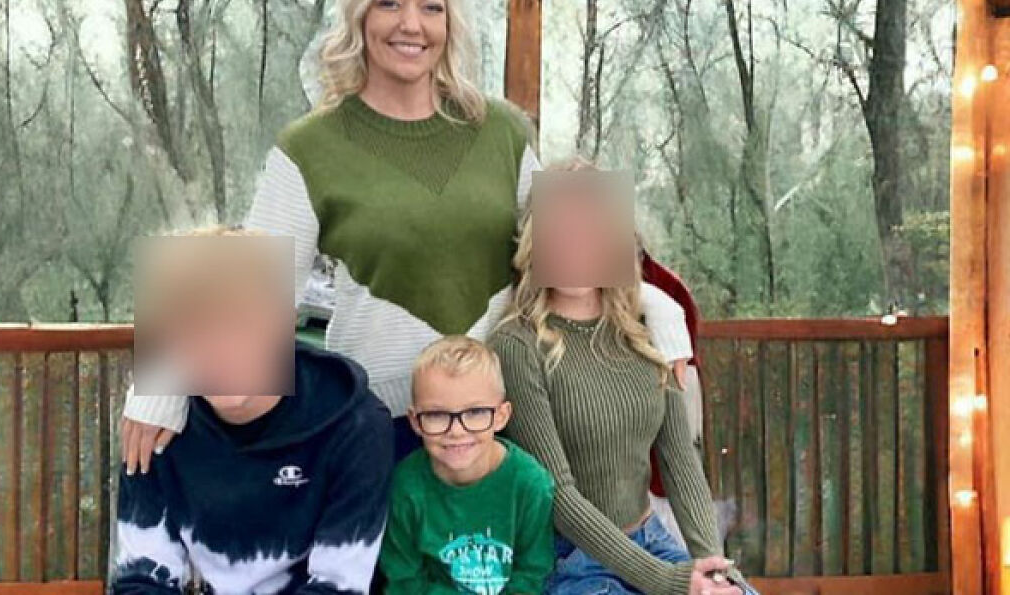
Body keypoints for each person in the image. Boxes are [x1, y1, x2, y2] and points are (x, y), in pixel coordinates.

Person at [118, 0, 694, 472]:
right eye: (389, 3)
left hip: (500, 422)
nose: (411, 24)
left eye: (431, 7)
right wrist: (156, 386)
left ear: (450, 22)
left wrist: (665, 313)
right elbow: (247, 284)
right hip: (377, 430)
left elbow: (576, 256)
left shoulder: (503, 130)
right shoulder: (309, 146)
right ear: (359, 15)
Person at [487, 162, 755, 595]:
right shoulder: (517, 344)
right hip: (569, 558)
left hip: (651, 541)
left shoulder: (645, 332)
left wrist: (714, 570)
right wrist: (669, 581)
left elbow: (680, 460)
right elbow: (559, 497)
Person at [112, 226, 393, 594]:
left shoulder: (354, 427)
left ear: (285, 323)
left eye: (241, 323)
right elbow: (141, 578)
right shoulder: (154, 427)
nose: (221, 347)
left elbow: (338, 586)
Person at [379, 335, 554, 594]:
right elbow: (403, 581)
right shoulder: (406, 487)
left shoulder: (530, 484)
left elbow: (532, 574)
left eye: (475, 412)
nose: (457, 431)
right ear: (415, 421)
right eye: (437, 415)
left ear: (501, 416)